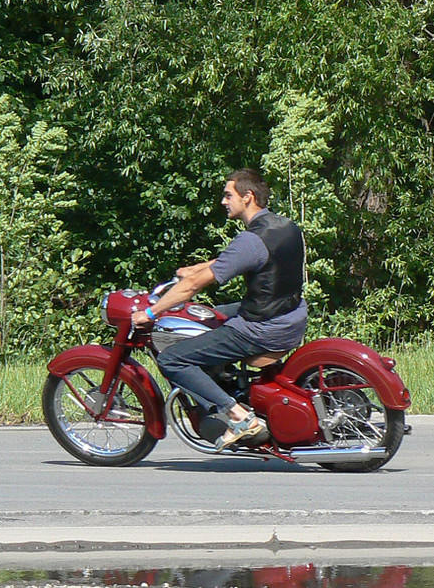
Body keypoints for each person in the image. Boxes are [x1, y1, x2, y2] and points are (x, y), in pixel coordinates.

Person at [132, 168, 308, 451]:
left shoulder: (251, 240)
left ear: (247, 197)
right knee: (209, 315)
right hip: (290, 313)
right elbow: (234, 259)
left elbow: (192, 287)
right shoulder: (283, 225)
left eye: (228, 195)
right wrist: (198, 267)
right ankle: (222, 378)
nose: (224, 202)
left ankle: (239, 416)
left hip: (263, 328)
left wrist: (151, 313)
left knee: (172, 359)